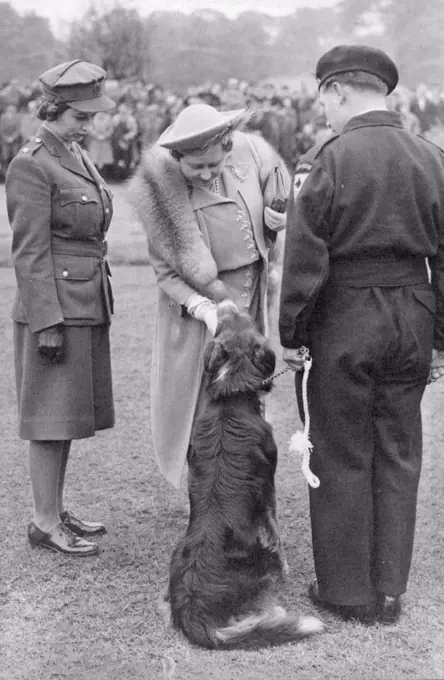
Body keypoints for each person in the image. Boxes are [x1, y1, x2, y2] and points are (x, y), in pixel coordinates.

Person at [279, 45, 444, 626]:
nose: (323, 110)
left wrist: (293, 331)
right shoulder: (433, 156)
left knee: (343, 446)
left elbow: (305, 258)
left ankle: (348, 592)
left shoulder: (328, 158)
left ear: (339, 91)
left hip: (346, 314)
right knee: (398, 449)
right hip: (413, 315)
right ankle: (389, 589)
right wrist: (440, 337)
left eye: (324, 97)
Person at [128, 103, 289, 488]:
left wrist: (276, 221)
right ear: (176, 157)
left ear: (228, 146)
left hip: (247, 305)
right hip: (198, 315)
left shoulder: (251, 159)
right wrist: (204, 306)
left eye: (213, 164)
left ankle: (245, 489)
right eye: (194, 167)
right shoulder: (160, 192)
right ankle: (210, 499)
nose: (205, 173)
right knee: (201, 411)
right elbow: (166, 272)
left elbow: (274, 196)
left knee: (248, 402)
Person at [6, 60, 116, 557]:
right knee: (50, 421)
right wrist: (46, 322)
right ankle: (44, 522)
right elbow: (29, 252)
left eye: (92, 116)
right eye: (80, 116)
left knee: (66, 417)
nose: (89, 126)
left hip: (83, 300)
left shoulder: (71, 153)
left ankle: (53, 509)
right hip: (55, 308)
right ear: (52, 111)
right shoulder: (31, 163)